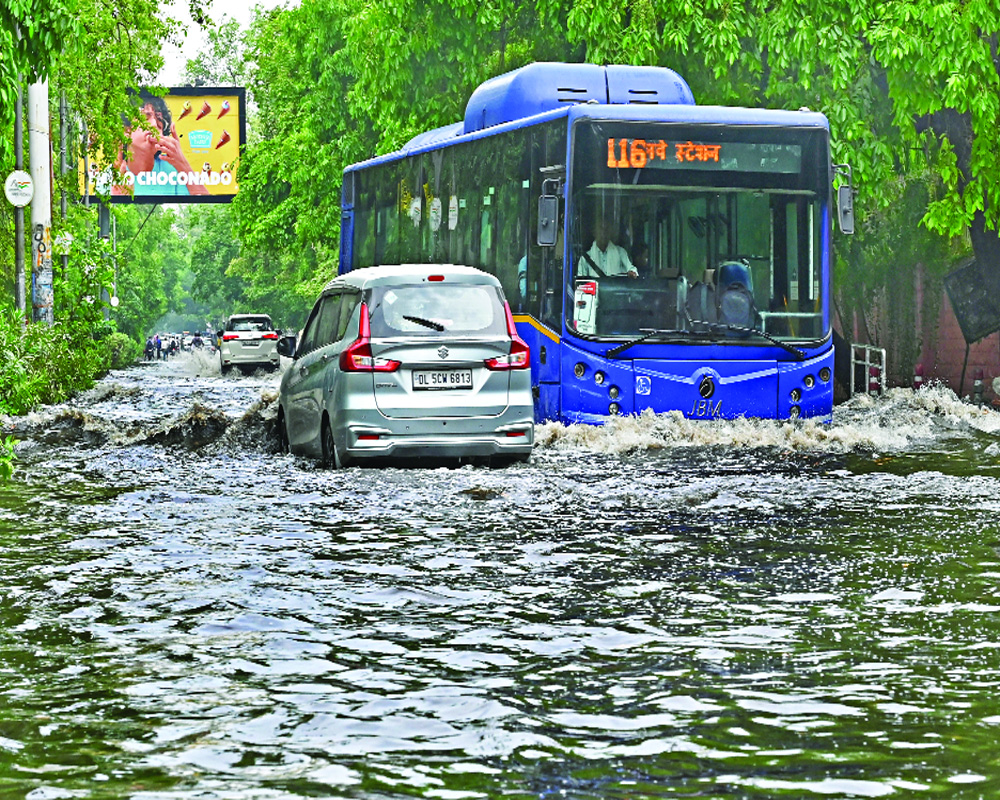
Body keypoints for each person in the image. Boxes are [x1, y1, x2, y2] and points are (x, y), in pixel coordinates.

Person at [113, 92, 209, 198]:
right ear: (126, 130)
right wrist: (119, 199)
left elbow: (207, 206)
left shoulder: (175, 172)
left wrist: (183, 164)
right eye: (145, 117)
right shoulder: (111, 174)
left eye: (159, 120)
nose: (154, 124)